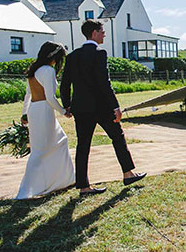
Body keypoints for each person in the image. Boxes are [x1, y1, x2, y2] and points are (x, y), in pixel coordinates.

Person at [61, 20, 146, 196]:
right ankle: (128, 173)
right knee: (118, 137)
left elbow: (65, 84)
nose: (104, 34)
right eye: (102, 31)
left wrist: (67, 105)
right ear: (94, 33)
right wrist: (115, 106)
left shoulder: (72, 56)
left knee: (83, 145)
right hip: (101, 107)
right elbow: (104, 83)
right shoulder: (100, 54)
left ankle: (84, 186)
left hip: (81, 108)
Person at [15, 41, 75, 199]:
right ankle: (27, 190)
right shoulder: (47, 70)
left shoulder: (33, 69)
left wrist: (24, 114)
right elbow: (50, 98)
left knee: (58, 142)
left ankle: (62, 180)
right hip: (44, 111)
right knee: (41, 150)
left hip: (34, 110)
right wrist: (63, 111)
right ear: (54, 56)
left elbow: (28, 95)